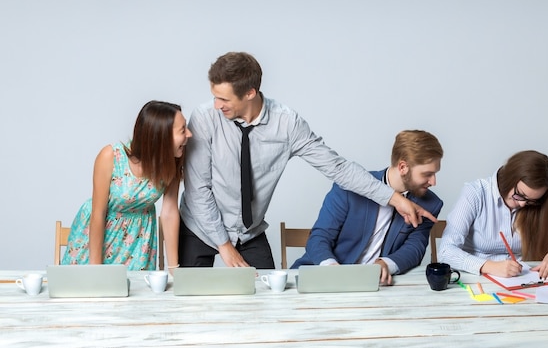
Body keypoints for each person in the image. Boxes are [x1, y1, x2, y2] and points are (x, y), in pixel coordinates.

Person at [178, 51, 437, 269]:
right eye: (214, 96)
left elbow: (338, 168)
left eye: (223, 98)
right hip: (199, 227)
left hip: (248, 232)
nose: (216, 105)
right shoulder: (204, 118)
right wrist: (224, 246)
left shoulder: (287, 124)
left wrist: (394, 199)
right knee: (192, 305)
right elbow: (198, 189)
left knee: (269, 304)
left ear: (249, 93)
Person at [292, 130, 444, 285]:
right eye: (427, 174)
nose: (433, 182)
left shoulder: (429, 204)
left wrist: (386, 264)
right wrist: (331, 268)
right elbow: (319, 237)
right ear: (403, 167)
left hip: (376, 286)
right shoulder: (350, 186)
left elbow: (414, 249)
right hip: (323, 278)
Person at [62, 100, 192, 271]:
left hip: (139, 241)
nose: (189, 134)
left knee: (136, 293)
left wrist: (174, 269)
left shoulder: (172, 161)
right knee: (86, 290)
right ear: (161, 136)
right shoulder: (110, 157)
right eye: (183, 130)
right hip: (99, 236)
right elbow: (98, 213)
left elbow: (169, 212)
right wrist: (95, 269)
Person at [438, 150, 548, 280]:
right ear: (509, 177)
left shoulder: (537, 205)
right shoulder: (475, 193)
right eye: (520, 195)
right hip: (475, 280)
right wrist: (488, 266)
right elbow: (446, 251)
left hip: (521, 280)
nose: (523, 205)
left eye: (532, 201)